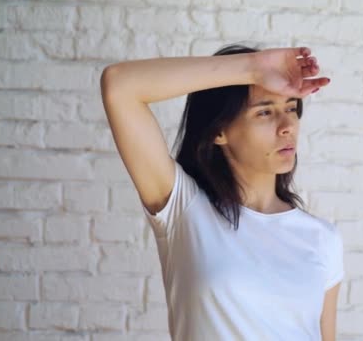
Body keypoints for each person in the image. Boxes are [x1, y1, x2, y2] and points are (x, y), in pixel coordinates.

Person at [100, 43, 344, 340]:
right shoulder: (184, 210)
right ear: (218, 131)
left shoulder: (322, 238)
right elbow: (120, 86)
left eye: (291, 109)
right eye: (265, 112)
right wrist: (253, 68)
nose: (286, 126)